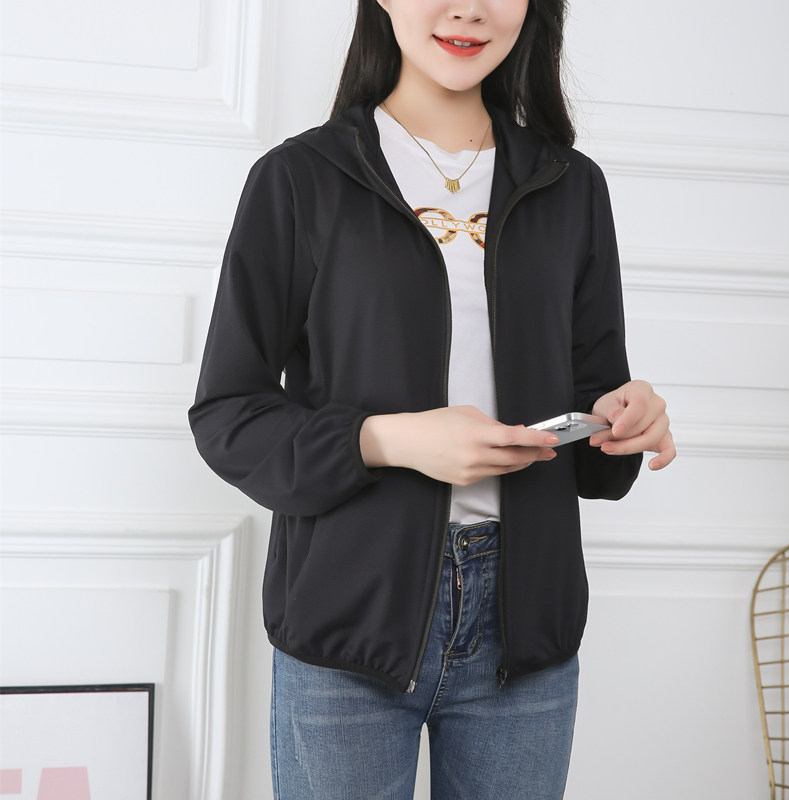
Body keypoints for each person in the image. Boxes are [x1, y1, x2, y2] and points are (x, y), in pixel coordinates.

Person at [189, 0, 676, 797]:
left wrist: (628, 415)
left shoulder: (571, 185)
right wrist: (392, 440)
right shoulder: (301, 178)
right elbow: (228, 414)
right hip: (347, 620)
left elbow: (595, 437)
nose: (468, 9)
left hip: (526, 630)